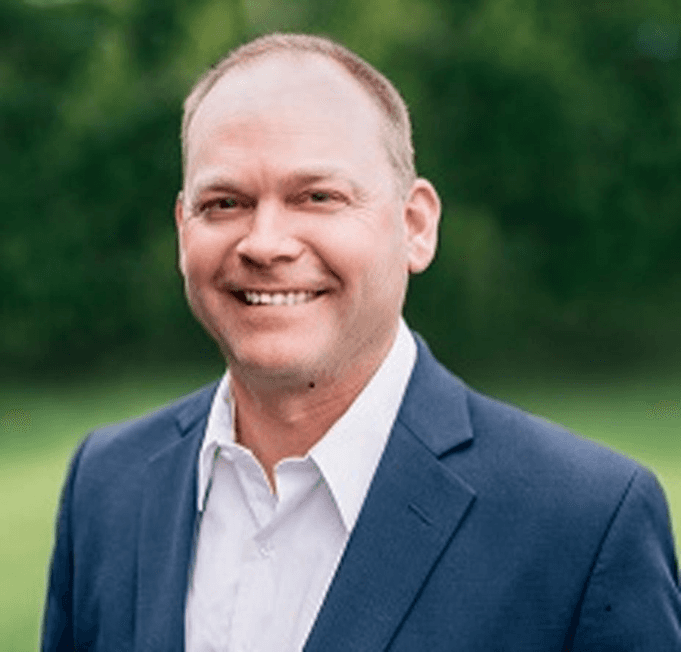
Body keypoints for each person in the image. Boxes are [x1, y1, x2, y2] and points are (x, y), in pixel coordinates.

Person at [42, 33, 680, 651]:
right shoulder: (105, 483)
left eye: (317, 197)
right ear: (185, 230)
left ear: (415, 226)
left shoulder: (585, 525)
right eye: (225, 203)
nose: (265, 243)